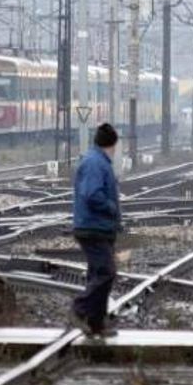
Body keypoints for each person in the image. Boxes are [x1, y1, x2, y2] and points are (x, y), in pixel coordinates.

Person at [70, 122, 121, 337]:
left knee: (98, 275)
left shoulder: (96, 160)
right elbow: (92, 194)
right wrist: (110, 207)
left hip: (99, 227)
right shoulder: (95, 163)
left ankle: (96, 324)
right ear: (113, 144)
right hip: (93, 227)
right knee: (106, 273)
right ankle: (79, 309)